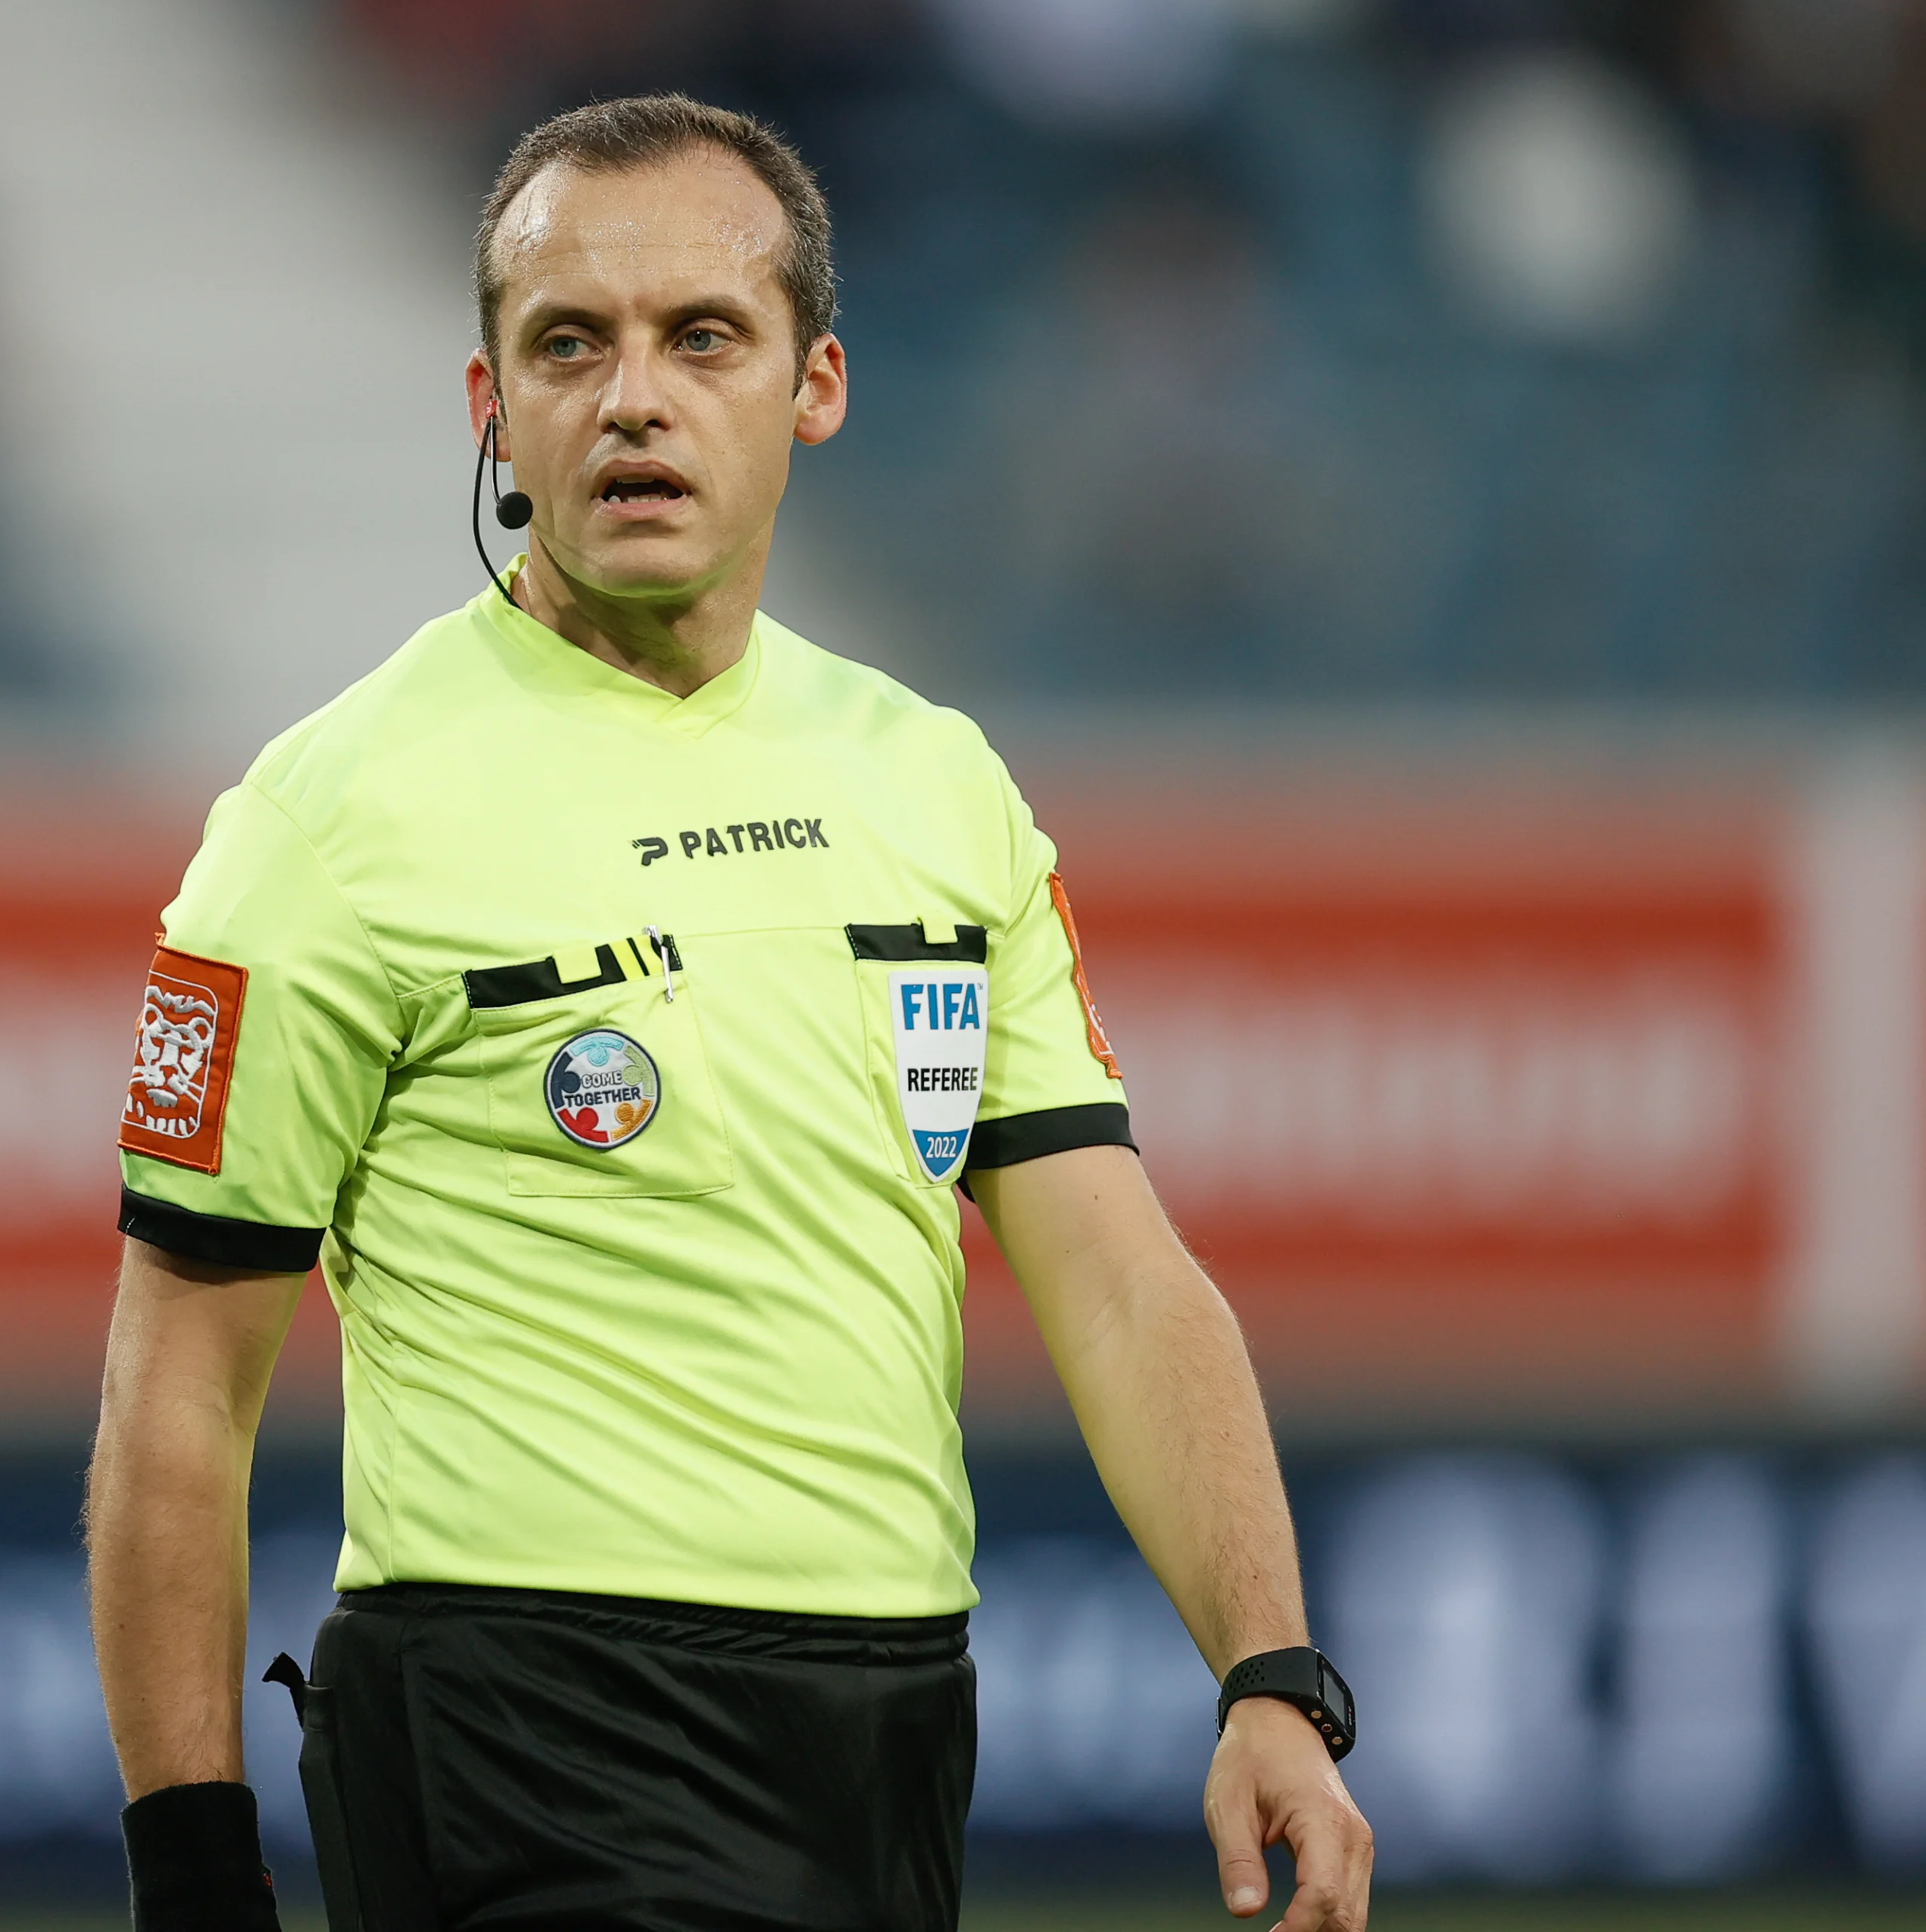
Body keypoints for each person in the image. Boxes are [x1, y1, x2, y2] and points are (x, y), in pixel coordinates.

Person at [88, 93, 1372, 1932]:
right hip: (518, 1726)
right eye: (568, 344)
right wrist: (193, 1870)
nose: (633, 398)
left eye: (703, 338)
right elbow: (179, 1391)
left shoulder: (939, 789)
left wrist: (1270, 1673)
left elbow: (1118, 1278)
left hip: (888, 1734)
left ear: (816, 383)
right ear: (491, 413)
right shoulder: (324, 825)